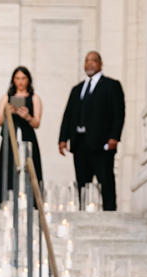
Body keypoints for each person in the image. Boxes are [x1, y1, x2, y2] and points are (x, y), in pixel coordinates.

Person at [58, 51, 125, 211]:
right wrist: (62, 138)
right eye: (87, 61)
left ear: (100, 64)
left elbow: (119, 113)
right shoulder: (77, 89)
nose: (89, 64)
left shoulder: (111, 85)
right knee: (82, 182)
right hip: (80, 143)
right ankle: (83, 211)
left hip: (101, 143)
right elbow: (68, 115)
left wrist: (114, 137)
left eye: (93, 60)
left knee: (106, 180)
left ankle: (110, 212)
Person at [0, 67, 43, 209]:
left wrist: (26, 116)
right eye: (17, 78)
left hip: (27, 139)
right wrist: (8, 111)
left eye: (23, 78)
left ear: (28, 80)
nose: (20, 82)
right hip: (9, 139)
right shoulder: (6, 98)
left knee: (30, 168)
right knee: (7, 169)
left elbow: (37, 123)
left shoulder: (34, 98)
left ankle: (32, 204)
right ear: (13, 80)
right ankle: (5, 202)